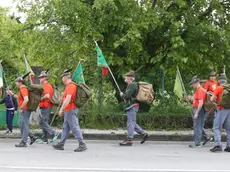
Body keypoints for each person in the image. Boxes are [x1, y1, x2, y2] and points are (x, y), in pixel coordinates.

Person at [53, 70, 87, 152]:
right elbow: (67, 97)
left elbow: (68, 99)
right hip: (69, 109)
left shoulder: (71, 86)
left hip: (71, 109)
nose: (62, 80)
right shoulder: (69, 86)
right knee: (66, 127)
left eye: (62, 78)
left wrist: (61, 109)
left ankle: (82, 144)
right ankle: (61, 144)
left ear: (65, 78)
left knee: (74, 127)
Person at [119, 71, 149, 146]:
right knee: (132, 122)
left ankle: (129, 140)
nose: (125, 78)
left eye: (126, 76)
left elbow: (127, 96)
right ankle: (144, 134)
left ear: (130, 78)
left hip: (132, 106)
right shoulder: (131, 85)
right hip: (133, 106)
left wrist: (122, 95)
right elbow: (129, 96)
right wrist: (125, 96)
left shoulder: (132, 85)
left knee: (130, 123)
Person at [8, 76, 38, 147]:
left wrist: (21, 108)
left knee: (24, 125)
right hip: (24, 109)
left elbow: (26, 99)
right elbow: (19, 98)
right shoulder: (22, 89)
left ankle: (24, 142)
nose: (16, 83)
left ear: (20, 82)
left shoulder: (23, 89)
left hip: (25, 109)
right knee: (21, 124)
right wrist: (12, 94)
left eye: (16, 82)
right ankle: (32, 136)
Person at [210, 74, 230, 152]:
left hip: (221, 110)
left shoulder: (218, 88)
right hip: (229, 110)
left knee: (216, 127)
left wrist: (212, 95)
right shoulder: (228, 88)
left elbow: (212, 99)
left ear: (218, 81)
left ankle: (218, 145)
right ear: (226, 81)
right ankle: (229, 146)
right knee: (229, 129)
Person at [38, 71, 59, 144]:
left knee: (42, 121)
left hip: (46, 106)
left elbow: (47, 96)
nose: (39, 79)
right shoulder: (45, 85)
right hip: (45, 106)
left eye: (41, 77)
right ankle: (45, 138)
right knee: (44, 121)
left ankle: (54, 133)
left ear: (45, 78)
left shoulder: (46, 85)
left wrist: (39, 99)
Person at [186, 76, 206, 148]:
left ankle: (197, 143)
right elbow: (196, 100)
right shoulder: (197, 90)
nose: (192, 85)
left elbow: (201, 103)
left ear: (196, 83)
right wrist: (190, 100)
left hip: (199, 110)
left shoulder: (200, 90)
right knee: (198, 126)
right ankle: (200, 141)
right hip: (197, 109)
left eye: (193, 83)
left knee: (197, 127)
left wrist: (197, 112)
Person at [202, 71, 218, 145]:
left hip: (214, 105)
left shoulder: (216, 83)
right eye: (211, 76)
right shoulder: (207, 83)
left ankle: (217, 139)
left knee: (216, 122)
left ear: (215, 76)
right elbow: (204, 92)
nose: (212, 77)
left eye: (213, 76)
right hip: (208, 105)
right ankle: (206, 136)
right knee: (203, 121)